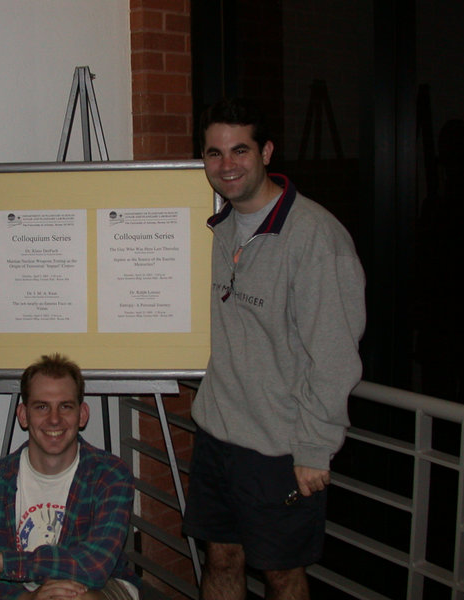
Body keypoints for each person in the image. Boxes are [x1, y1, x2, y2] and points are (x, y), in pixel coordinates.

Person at [182, 98, 366, 600]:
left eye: (239, 150)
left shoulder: (315, 237)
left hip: (280, 448)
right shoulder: (217, 229)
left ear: (266, 151)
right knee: (220, 558)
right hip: (218, 435)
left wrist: (314, 447)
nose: (227, 165)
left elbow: (334, 357)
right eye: (214, 153)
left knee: (283, 574)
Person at [0, 354, 140, 600]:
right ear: (23, 415)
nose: (54, 419)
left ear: (83, 414)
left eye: (65, 406)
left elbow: (94, 568)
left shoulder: (111, 475)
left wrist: (3, 562)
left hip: (100, 588)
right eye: (42, 406)